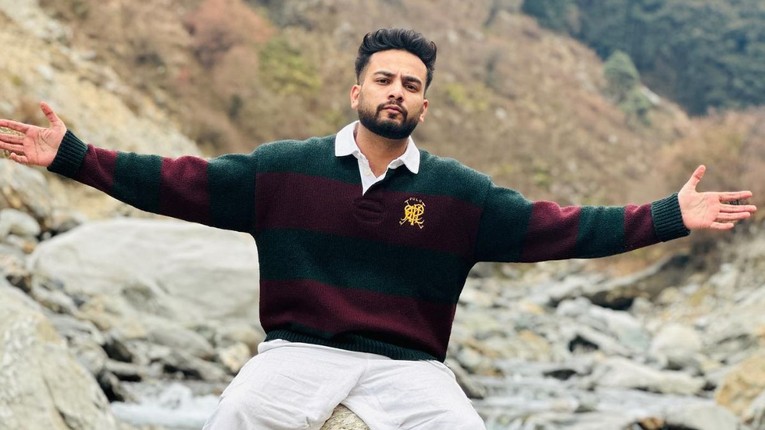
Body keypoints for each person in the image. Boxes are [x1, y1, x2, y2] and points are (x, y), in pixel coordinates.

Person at [0, 28, 757, 430]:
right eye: (385, 79)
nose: (396, 92)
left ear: (425, 105)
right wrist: (73, 156)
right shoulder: (283, 169)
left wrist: (668, 215)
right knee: (232, 416)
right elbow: (173, 181)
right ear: (357, 89)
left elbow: (564, 227)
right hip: (297, 353)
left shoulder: (459, 194)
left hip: (411, 370)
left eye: (411, 85)